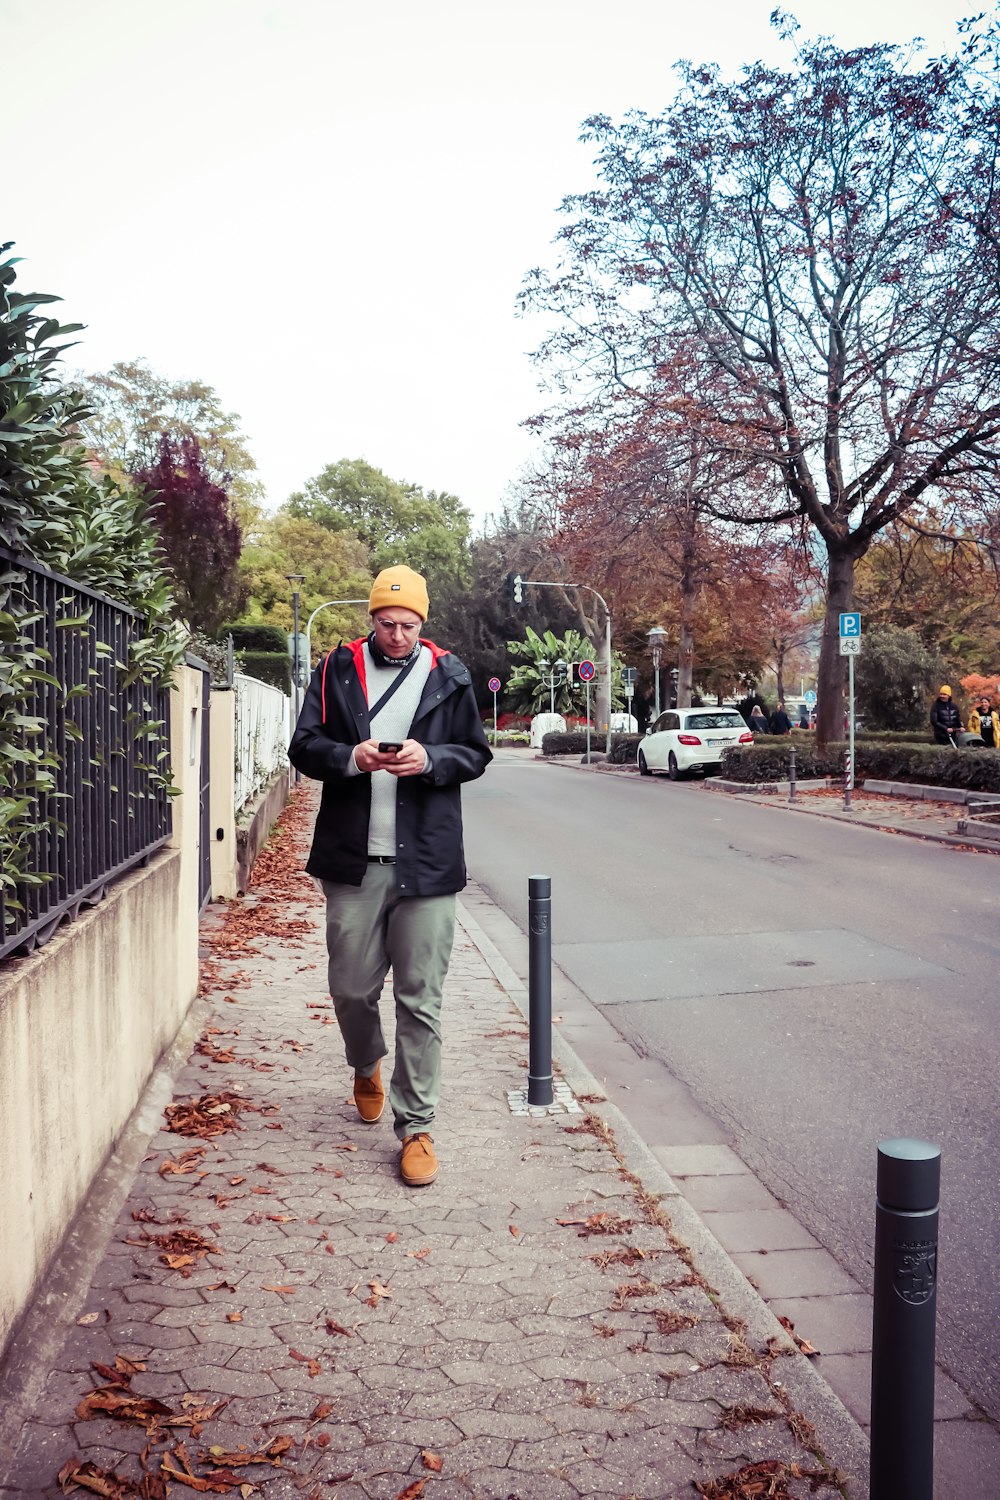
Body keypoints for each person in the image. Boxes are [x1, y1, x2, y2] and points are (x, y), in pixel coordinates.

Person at [288, 565, 492, 1187]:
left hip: (426, 865)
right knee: (351, 989)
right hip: (353, 860)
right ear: (370, 619)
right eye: (386, 623)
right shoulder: (336, 670)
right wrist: (350, 756)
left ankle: (418, 1127)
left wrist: (430, 758)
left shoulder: (450, 675)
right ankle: (364, 1062)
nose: (397, 634)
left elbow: (475, 754)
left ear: (423, 623)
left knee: (420, 1000)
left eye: (408, 624)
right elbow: (303, 746)